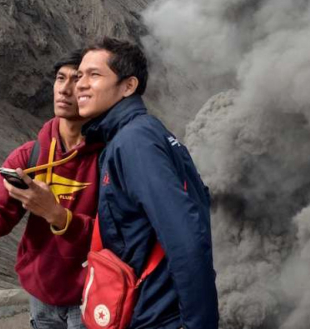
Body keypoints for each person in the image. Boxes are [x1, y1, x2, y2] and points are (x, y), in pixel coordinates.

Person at [0, 50, 103, 329]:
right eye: (60, 78)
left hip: (95, 297)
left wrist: (56, 215)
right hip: (42, 299)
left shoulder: (112, 157)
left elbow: (124, 234)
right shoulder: (30, 156)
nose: (64, 89)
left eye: (76, 80)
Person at [76, 37, 219, 329]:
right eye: (79, 75)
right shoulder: (141, 134)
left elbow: (186, 239)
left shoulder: (133, 142)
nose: (80, 84)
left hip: (156, 318)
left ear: (128, 86)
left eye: (94, 75)